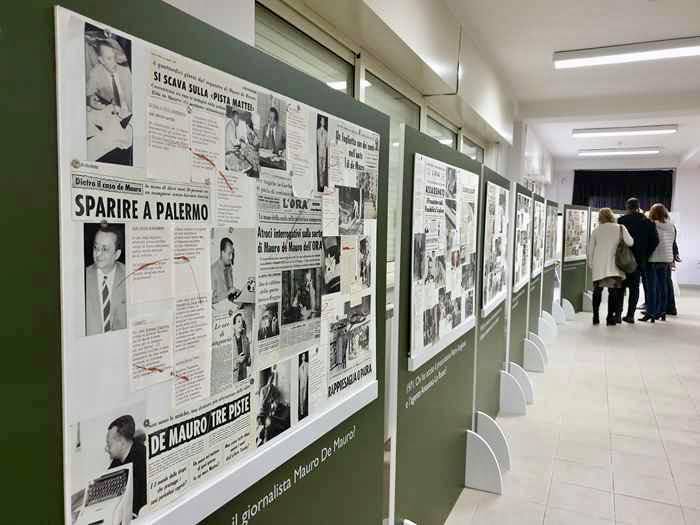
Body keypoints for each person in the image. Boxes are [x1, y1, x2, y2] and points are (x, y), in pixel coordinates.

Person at [86, 41, 133, 165]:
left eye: (115, 57)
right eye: (109, 58)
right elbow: (89, 94)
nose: (114, 62)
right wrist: (90, 99)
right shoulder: (95, 73)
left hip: (129, 115)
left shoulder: (125, 71)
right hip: (112, 117)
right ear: (101, 60)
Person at [587, 208, 633, 326]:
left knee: (597, 291)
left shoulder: (596, 230)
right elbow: (630, 242)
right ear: (612, 216)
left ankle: (596, 316)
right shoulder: (620, 228)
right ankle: (610, 317)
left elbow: (590, 249)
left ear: (600, 217)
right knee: (613, 292)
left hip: (599, 264)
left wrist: (591, 263)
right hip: (614, 265)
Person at [617, 198, 659, 323]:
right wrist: (646, 254)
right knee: (634, 289)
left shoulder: (621, 221)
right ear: (638, 206)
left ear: (627, 207)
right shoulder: (648, 222)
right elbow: (655, 241)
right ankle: (630, 315)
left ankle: (618, 315)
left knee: (620, 289)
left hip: (623, 260)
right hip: (639, 261)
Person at [85, 224, 127, 336]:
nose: (98, 254)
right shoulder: (82, 277)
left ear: (117, 254)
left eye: (105, 249)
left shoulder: (130, 275)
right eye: (96, 247)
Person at [105, 415, 146, 517]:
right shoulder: (118, 459)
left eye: (109, 445)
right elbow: (106, 481)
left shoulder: (142, 459)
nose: (106, 448)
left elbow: (140, 506)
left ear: (122, 443)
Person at [641, 204, 675, 322]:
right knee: (663, 286)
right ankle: (662, 311)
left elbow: (650, 241)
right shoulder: (671, 225)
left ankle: (650, 312)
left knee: (652, 287)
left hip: (654, 258)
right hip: (666, 258)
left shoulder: (652, 224)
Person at [211, 237, 241, 305]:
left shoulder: (229, 268)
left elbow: (230, 291)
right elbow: (211, 300)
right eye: (229, 254)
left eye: (232, 254)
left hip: (228, 306)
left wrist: (236, 293)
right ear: (222, 253)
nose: (231, 257)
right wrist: (228, 293)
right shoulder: (213, 270)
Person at [232, 313, 251, 381]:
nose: (240, 324)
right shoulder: (230, 341)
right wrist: (237, 361)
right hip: (234, 378)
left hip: (244, 377)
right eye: (238, 321)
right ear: (234, 325)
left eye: (242, 322)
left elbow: (249, 362)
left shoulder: (246, 339)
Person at [316, 115, 328, 191]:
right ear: (320, 122)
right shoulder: (317, 131)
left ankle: (323, 185)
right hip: (319, 151)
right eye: (321, 121)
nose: (322, 122)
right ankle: (320, 185)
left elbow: (326, 144)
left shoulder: (326, 133)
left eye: (324, 121)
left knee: (323, 169)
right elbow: (317, 142)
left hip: (324, 152)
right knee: (319, 169)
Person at [298, 353, 309, 419]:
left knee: (304, 398)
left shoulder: (307, 364)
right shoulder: (299, 367)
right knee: (301, 398)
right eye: (302, 356)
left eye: (304, 356)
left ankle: (304, 410)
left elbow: (308, 374)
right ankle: (301, 412)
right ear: (301, 358)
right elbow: (299, 377)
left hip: (305, 383)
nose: (303, 357)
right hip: (301, 384)